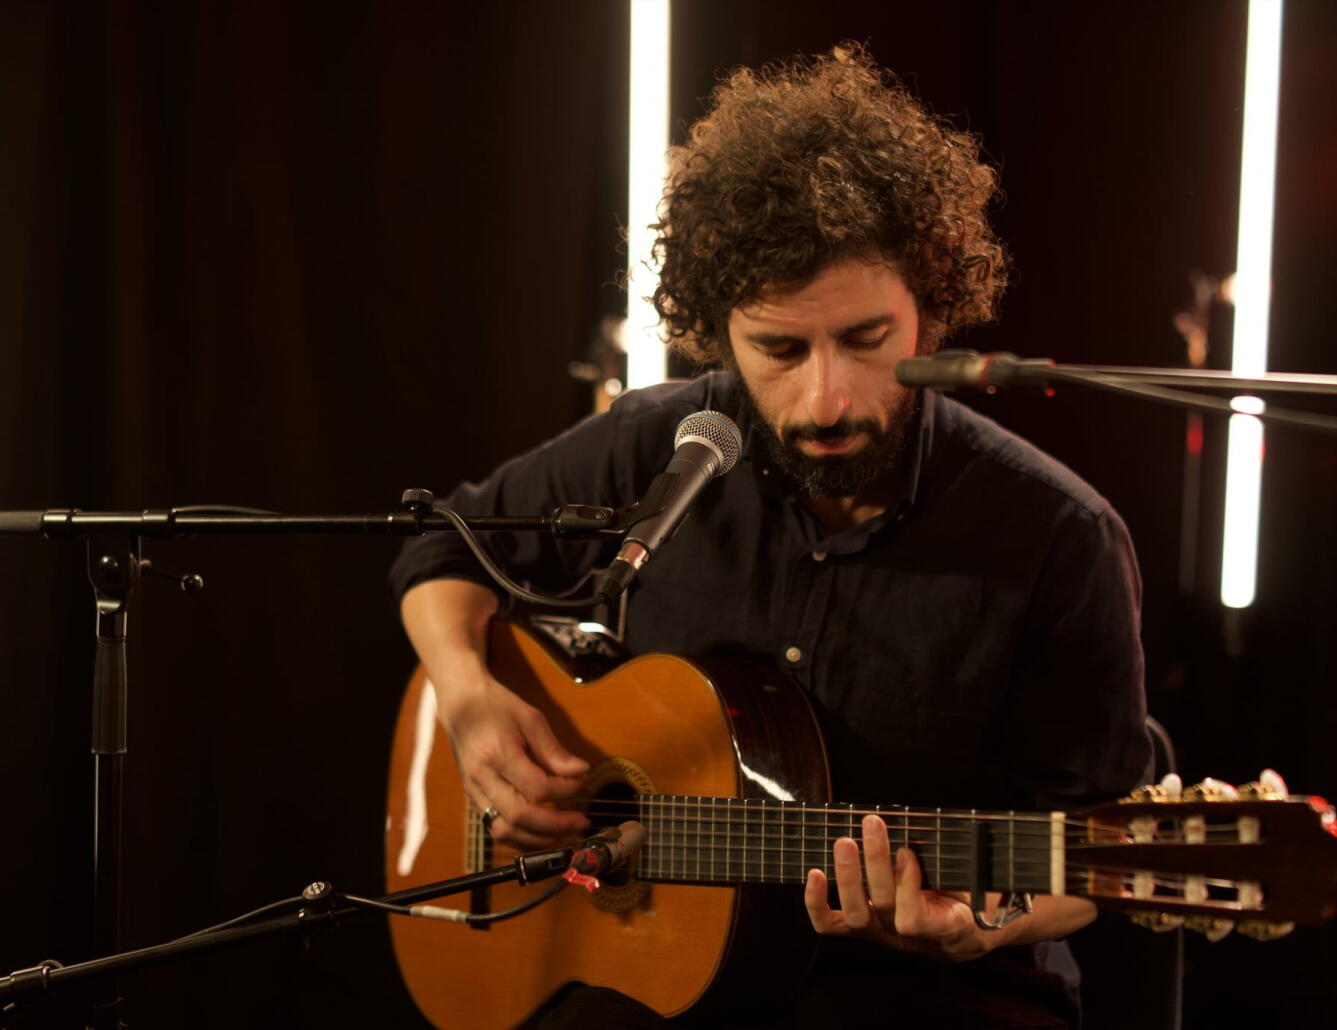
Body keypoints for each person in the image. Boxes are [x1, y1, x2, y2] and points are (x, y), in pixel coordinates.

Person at [390, 45, 1151, 1028]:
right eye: (780, 350)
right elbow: (441, 549)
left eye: (867, 340)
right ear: (719, 332)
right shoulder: (663, 445)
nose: (826, 396)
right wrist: (468, 696)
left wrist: (984, 923)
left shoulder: (1059, 536)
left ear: (930, 305)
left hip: (934, 991)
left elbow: (1108, 850)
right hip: (663, 968)